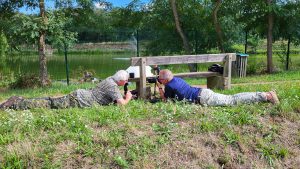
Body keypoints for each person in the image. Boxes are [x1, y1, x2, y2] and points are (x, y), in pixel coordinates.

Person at [0, 70, 133, 110]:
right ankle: (15, 104)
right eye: (126, 81)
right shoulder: (113, 86)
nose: (126, 82)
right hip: (79, 100)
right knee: (50, 104)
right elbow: (121, 103)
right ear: (121, 81)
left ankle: (19, 100)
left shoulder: (110, 79)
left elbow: (113, 97)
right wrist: (128, 98)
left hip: (80, 95)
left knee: (51, 101)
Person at [156, 69, 279, 106]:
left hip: (203, 98)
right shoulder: (176, 79)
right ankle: (262, 94)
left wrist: (160, 87)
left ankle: (266, 96)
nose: (159, 80)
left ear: (165, 80)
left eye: (160, 79)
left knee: (232, 101)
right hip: (203, 92)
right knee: (232, 97)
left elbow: (165, 100)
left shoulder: (169, 86)